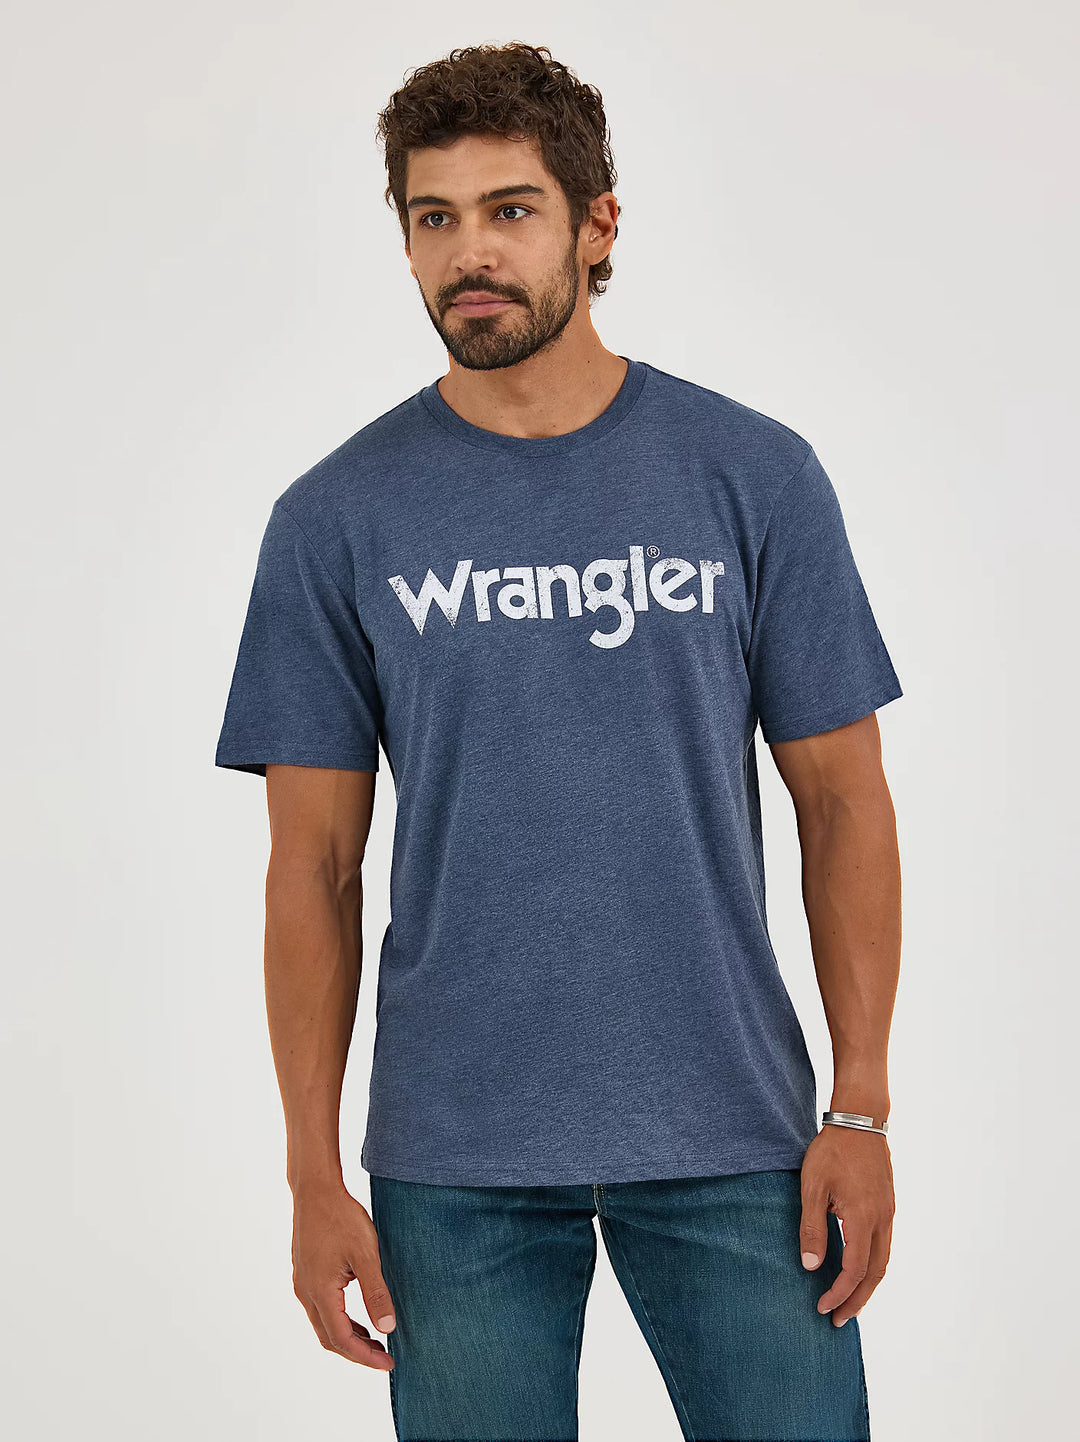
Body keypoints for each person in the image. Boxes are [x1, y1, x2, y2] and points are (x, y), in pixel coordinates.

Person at [215, 40, 902, 1442]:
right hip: (453, 1161)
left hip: (737, 1134)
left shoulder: (751, 475)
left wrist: (863, 1107)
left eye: (510, 209)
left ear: (596, 225)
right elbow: (312, 867)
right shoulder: (335, 519)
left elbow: (844, 802)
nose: (470, 251)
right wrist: (310, 1173)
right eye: (434, 217)